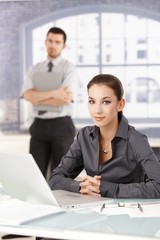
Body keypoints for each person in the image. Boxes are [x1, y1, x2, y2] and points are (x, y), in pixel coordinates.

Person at [48, 73, 160, 198]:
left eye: (105, 102)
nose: (97, 110)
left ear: (120, 105)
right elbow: (55, 179)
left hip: (130, 210)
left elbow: (158, 187)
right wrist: (81, 186)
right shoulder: (84, 136)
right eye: (92, 101)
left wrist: (105, 188)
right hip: (94, 209)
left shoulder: (136, 139)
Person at [22, 27, 79, 178]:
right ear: (45, 42)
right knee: (35, 175)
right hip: (39, 126)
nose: (53, 45)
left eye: (57, 42)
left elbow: (65, 99)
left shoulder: (69, 68)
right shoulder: (35, 68)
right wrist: (55, 93)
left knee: (61, 176)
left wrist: (38, 96)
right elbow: (27, 96)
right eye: (50, 41)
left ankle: (59, 203)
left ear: (64, 45)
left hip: (62, 126)